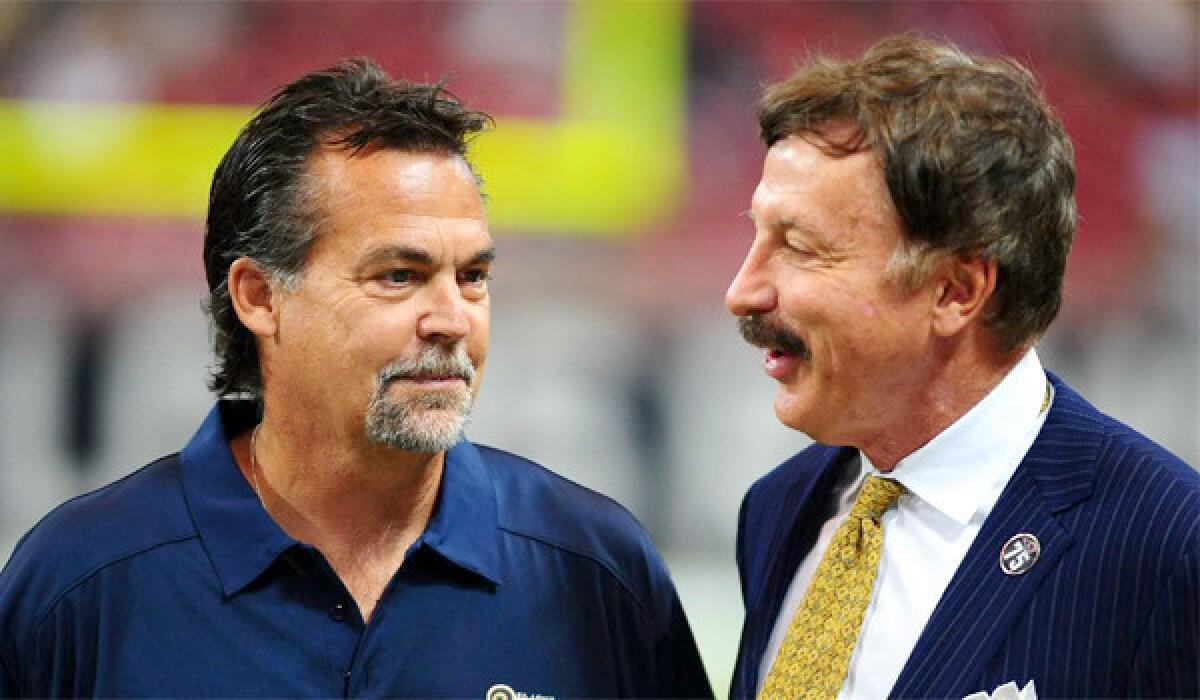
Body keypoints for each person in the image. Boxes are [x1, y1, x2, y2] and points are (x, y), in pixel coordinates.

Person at [0, 59, 713, 699]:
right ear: (259, 296)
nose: (451, 319)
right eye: (398, 276)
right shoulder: (81, 583)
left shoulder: (595, 570)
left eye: (472, 277)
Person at [725, 34, 1199, 700]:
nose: (742, 291)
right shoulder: (779, 509)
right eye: (758, 235)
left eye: (799, 247)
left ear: (955, 291)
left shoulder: (1167, 544)